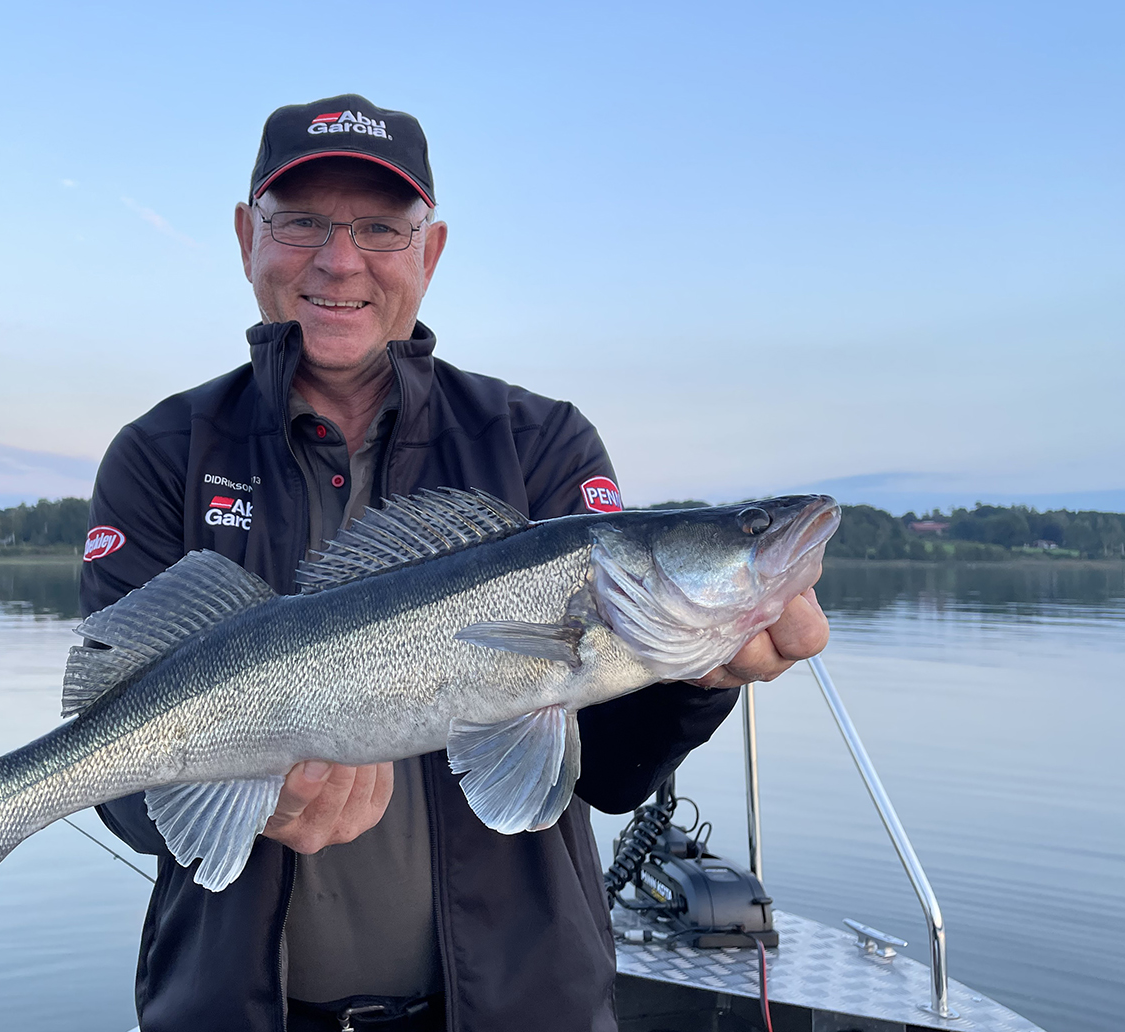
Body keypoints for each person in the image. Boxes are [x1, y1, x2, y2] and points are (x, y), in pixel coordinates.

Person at [79, 94, 829, 1032]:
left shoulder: (541, 442)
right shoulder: (160, 453)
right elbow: (114, 778)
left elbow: (608, 778)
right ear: (247, 237)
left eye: (381, 228)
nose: (339, 259)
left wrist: (701, 677)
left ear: (429, 252)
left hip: (517, 1009)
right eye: (302, 220)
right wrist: (237, 801)